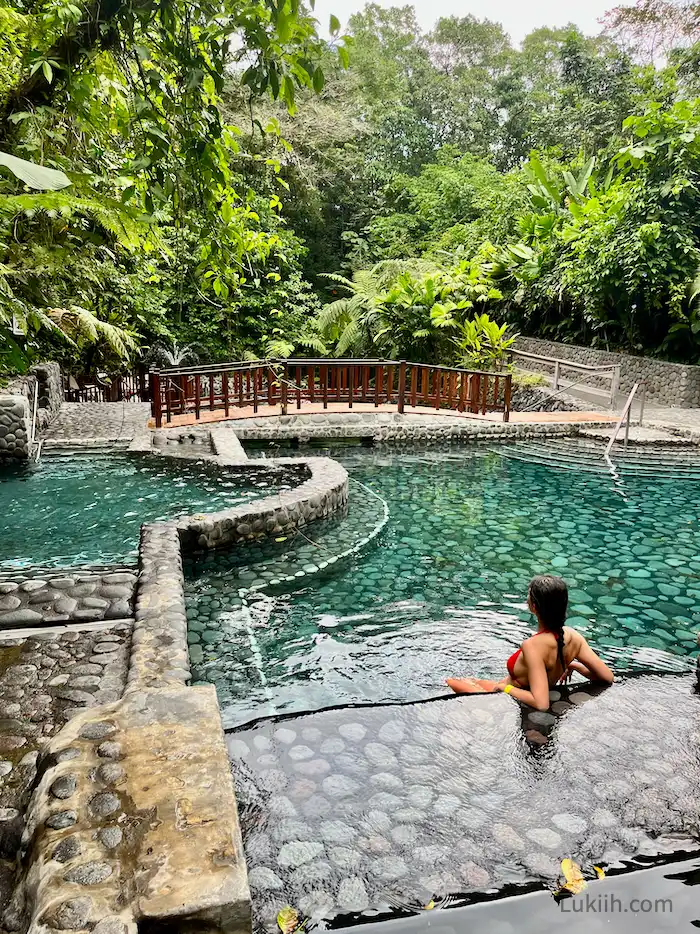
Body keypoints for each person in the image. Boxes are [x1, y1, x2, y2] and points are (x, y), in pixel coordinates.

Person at [446, 575, 614, 711]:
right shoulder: (574, 636)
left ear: (534, 607)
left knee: (449, 682)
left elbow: (541, 703)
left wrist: (506, 689)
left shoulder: (533, 646)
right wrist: (574, 665)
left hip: (507, 696)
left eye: (528, 595)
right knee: (469, 680)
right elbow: (607, 677)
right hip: (506, 686)